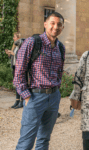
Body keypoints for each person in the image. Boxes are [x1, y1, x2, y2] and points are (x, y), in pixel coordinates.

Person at [13, 12, 65, 149]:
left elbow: (59, 71)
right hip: (35, 97)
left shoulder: (61, 47)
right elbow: (19, 72)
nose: (55, 27)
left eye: (59, 24)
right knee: (26, 142)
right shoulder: (32, 42)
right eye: (52, 23)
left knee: (44, 140)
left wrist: (57, 91)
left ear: (62, 28)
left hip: (54, 97)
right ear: (45, 24)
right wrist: (26, 96)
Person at [5, 32, 24, 109]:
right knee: (16, 84)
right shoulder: (15, 47)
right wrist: (9, 54)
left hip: (19, 68)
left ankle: (21, 101)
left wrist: (13, 54)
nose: (13, 38)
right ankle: (17, 100)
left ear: (18, 37)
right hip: (14, 67)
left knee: (21, 84)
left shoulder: (21, 46)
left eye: (14, 37)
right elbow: (13, 58)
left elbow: (21, 56)